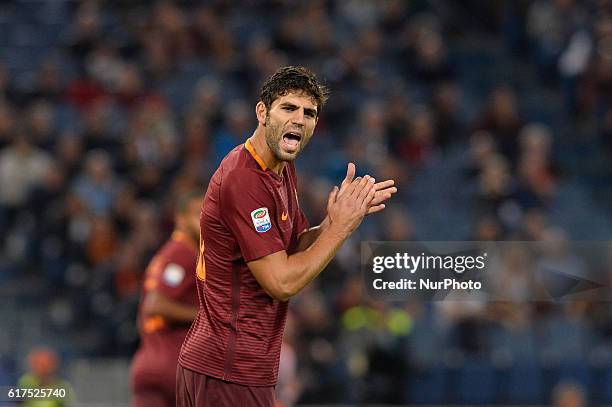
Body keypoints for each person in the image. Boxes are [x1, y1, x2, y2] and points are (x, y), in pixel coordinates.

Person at [177, 66, 397, 406]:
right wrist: (337, 231)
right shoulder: (243, 177)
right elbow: (280, 281)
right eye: (288, 108)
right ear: (262, 112)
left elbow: (292, 249)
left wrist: (336, 222)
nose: (299, 119)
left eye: (309, 113)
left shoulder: (280, 169)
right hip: (229, 367)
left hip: (233, 367)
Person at [130, 191, 202, 407]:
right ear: (180, 218)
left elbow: (143, 314)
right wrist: (208, 316)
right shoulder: (183, 252)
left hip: (149, 362)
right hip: (175, 364)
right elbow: (156, 304)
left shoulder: (166, 253)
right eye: (198, 214)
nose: (206, 220)